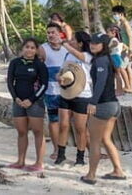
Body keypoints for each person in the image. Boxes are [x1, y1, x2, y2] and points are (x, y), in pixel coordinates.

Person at [81, 33, 126, 185]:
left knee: (94, 141)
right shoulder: (108, 59)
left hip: (103, 105)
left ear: (104, 46)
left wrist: (93, 102)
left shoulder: (100, 60)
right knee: (106, 140)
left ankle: (91, 175)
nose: (93, 45)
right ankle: (118, 170)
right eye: (92, 42)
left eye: (97, 43)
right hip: (114, 105)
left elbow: (100, 83)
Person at [6, 38, 48, 171]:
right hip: (18, 102)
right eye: (27, 47)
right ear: (22, 48)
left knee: (37, 132)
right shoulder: (15, 63)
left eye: (32, 48)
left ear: (36, 50)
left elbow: (44, 85)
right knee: (21, 131)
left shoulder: (39, 65)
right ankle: (20, 161)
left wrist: (32, 99)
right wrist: (15, 98)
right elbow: (10, 82)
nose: (29, 50)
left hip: (35, 103)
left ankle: (39, 163)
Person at [55, 31, 93, 165]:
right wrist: (59, 77)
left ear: (81, 43)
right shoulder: (68, 55)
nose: (70, 42)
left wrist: (64, 44)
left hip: (82, 95)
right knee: (63, 125)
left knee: (80, 128)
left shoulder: (88, 56)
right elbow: (62, 70)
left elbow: (80, 56)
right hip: (66, 92)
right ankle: (61, 154)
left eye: (73, 40)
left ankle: (80, 157)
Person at [38, 22, 69, 160]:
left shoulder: (67, 48)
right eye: (48, 33)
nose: (50, 35)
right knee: (54, 120)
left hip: (68, 91)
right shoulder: (43, 48)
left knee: (69, 122)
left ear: (60, 33)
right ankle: (56, 149)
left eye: (53, 32)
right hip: (51, 92)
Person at [112, 6, 132, 92]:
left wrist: (131, 50)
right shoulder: (120, 23)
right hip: (122, 48)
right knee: (127, 67)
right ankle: (129, 86)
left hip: (126, 48)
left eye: (115, 14)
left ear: (121, 14)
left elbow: (130, 37)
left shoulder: (126, 24)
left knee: (122, 67)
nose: (114, 16)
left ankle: (128, 86)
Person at [107, 26, 132, 94]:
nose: (107, 34)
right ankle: (124, 87)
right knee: (119, 73)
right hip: (116, 56)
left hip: (114, 56)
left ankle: (120, 89)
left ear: (114, 33)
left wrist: (108, 48)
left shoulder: (114, 39)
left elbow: (115, 43)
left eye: (108, 32)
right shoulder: (118, 40)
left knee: (117, 73)